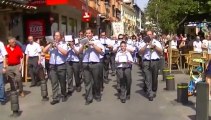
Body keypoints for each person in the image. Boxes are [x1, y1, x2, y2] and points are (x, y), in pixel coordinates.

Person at [43, 32, 68, 105]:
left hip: (61, 65)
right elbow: (44, 51)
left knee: (62, 82)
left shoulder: (64, 44)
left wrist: (57, 46)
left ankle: (64, 95)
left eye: (57, 36)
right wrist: (50, 44)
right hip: (52, 66)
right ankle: (55, 97)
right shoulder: (51, 45)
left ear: (60, 37)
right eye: (55, 36)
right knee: (54, 82)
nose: (56, 37)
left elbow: (65, 53)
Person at [82, 28, 104, 105]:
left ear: (92, 34)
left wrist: (93, 44)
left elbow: (101, 52)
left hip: (95, 63)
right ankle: (89, 98)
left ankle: (97, 95)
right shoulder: (84, 42)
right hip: (86, 63)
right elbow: (82, 51)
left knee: (96, 81)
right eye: (86, 33)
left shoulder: (97, 41)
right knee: (87, 82)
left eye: (89, 33)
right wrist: (85, 45)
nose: (87, 35)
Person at [139, 31, 163, 101]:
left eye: (150, 34)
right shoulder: (143, 42)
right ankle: (150, 93)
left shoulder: (156, 42)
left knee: (154, 77)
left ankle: (154, 90)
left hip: (155, 61)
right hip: (146, 61)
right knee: (147, 77)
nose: (149, 36)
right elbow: (140, 52)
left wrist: (154, 47)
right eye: (147, 35)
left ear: (152, 35)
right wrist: (145, 45)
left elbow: (161, 52)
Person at [0, 40, 7, 104]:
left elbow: (4, 55)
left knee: (1, 83)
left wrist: (4, 67)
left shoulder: (0, 44)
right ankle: (3, 95)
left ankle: (2, 98)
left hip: (0, 64)